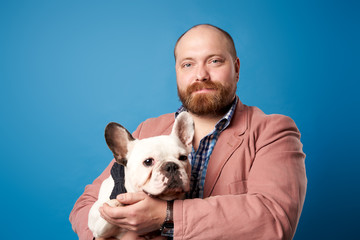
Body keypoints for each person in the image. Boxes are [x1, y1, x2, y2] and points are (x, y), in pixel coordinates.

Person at [70, 24, 307, 240]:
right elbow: (86, 204)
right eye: (188, 64)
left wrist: (166, 215)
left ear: (236, 68)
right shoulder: (147, 131)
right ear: (177, 72)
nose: (200, 74)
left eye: (214, 61)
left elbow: (275, 220)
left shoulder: (271, 131)